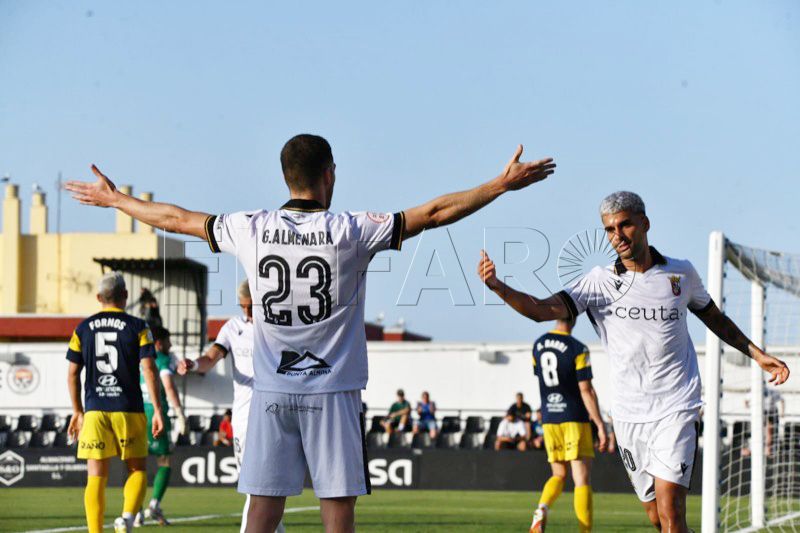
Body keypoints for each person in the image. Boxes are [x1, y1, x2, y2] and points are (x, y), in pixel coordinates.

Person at [67, 134, 556, 533]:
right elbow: (432, 214)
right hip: (332, 391)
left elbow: (176, 219)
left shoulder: (250, 227)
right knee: (337, 511)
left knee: (263, 509)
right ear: (329, 175)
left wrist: (116, 200)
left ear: (286, 177)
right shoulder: (352, 229)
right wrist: (499, 185)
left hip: (270, 392)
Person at [477, 191, 790, 533]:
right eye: (609, 229)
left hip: (676, 407)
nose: (618, 235)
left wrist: (758, 355)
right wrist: (497, 287)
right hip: (629, 417)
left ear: (645, 223)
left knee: (672, 510)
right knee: (656, 515)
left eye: (625, 225)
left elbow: (715, 318)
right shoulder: (598, 282)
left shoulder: (681, 274)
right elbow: (540, 310)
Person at [178, 280, 285, 533]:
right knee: (257, 487)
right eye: (243, 307)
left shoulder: (279, 327)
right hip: (245, 417)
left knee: (263, 487)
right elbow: (210, 359)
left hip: (276, 414)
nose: (247, 313)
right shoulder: (233, 328)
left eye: (251, 307)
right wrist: (192, 365)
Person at [65, 272, 164, 533]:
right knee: (137, 469)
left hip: (95, 410)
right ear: (126, 296)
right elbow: (149, 369)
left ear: (99, 297)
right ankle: (127, 518)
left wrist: (77, 411)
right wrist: (158, 410)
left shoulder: (82, 328)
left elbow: (73, 373)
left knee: (95, 476)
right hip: (128, 408)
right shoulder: (139, 326)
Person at [528, 317, 607, 533]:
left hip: (550, 419)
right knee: (581, 479)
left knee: (558, 475)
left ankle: (542, 508)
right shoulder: (578, 348)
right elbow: (586, 390)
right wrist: (600, 424)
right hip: (574, 416)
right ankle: (584, 531)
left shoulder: (538, 345)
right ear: (574, 318)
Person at [134, 326, 188, 527]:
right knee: (164, 462)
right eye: (168, 341)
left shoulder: (138, 359)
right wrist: (180, 413)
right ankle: (154, 506)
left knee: (137, 465)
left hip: (136, 416)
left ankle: (135, 511)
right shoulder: (161, 360)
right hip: (156, 416)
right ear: (158, 343)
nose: (171, 345)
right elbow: (168, 386)